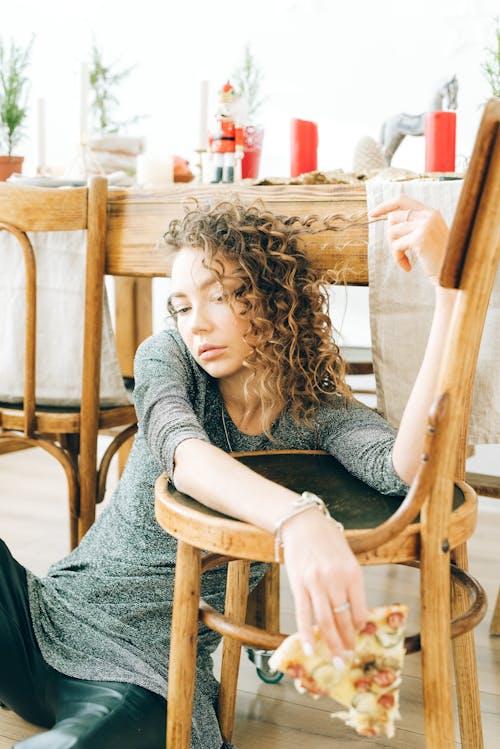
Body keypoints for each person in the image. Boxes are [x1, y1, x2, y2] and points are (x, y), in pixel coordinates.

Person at [0, 195, 454, 748]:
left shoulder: (319, 413)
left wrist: (448, 294)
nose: (198, 325)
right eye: (183, 305)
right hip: (39, 614)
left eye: (221, 296)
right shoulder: (165, 357)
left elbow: (404, 469)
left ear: (273, 300)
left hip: (141, 671)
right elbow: (186, 458)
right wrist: (299, 519)